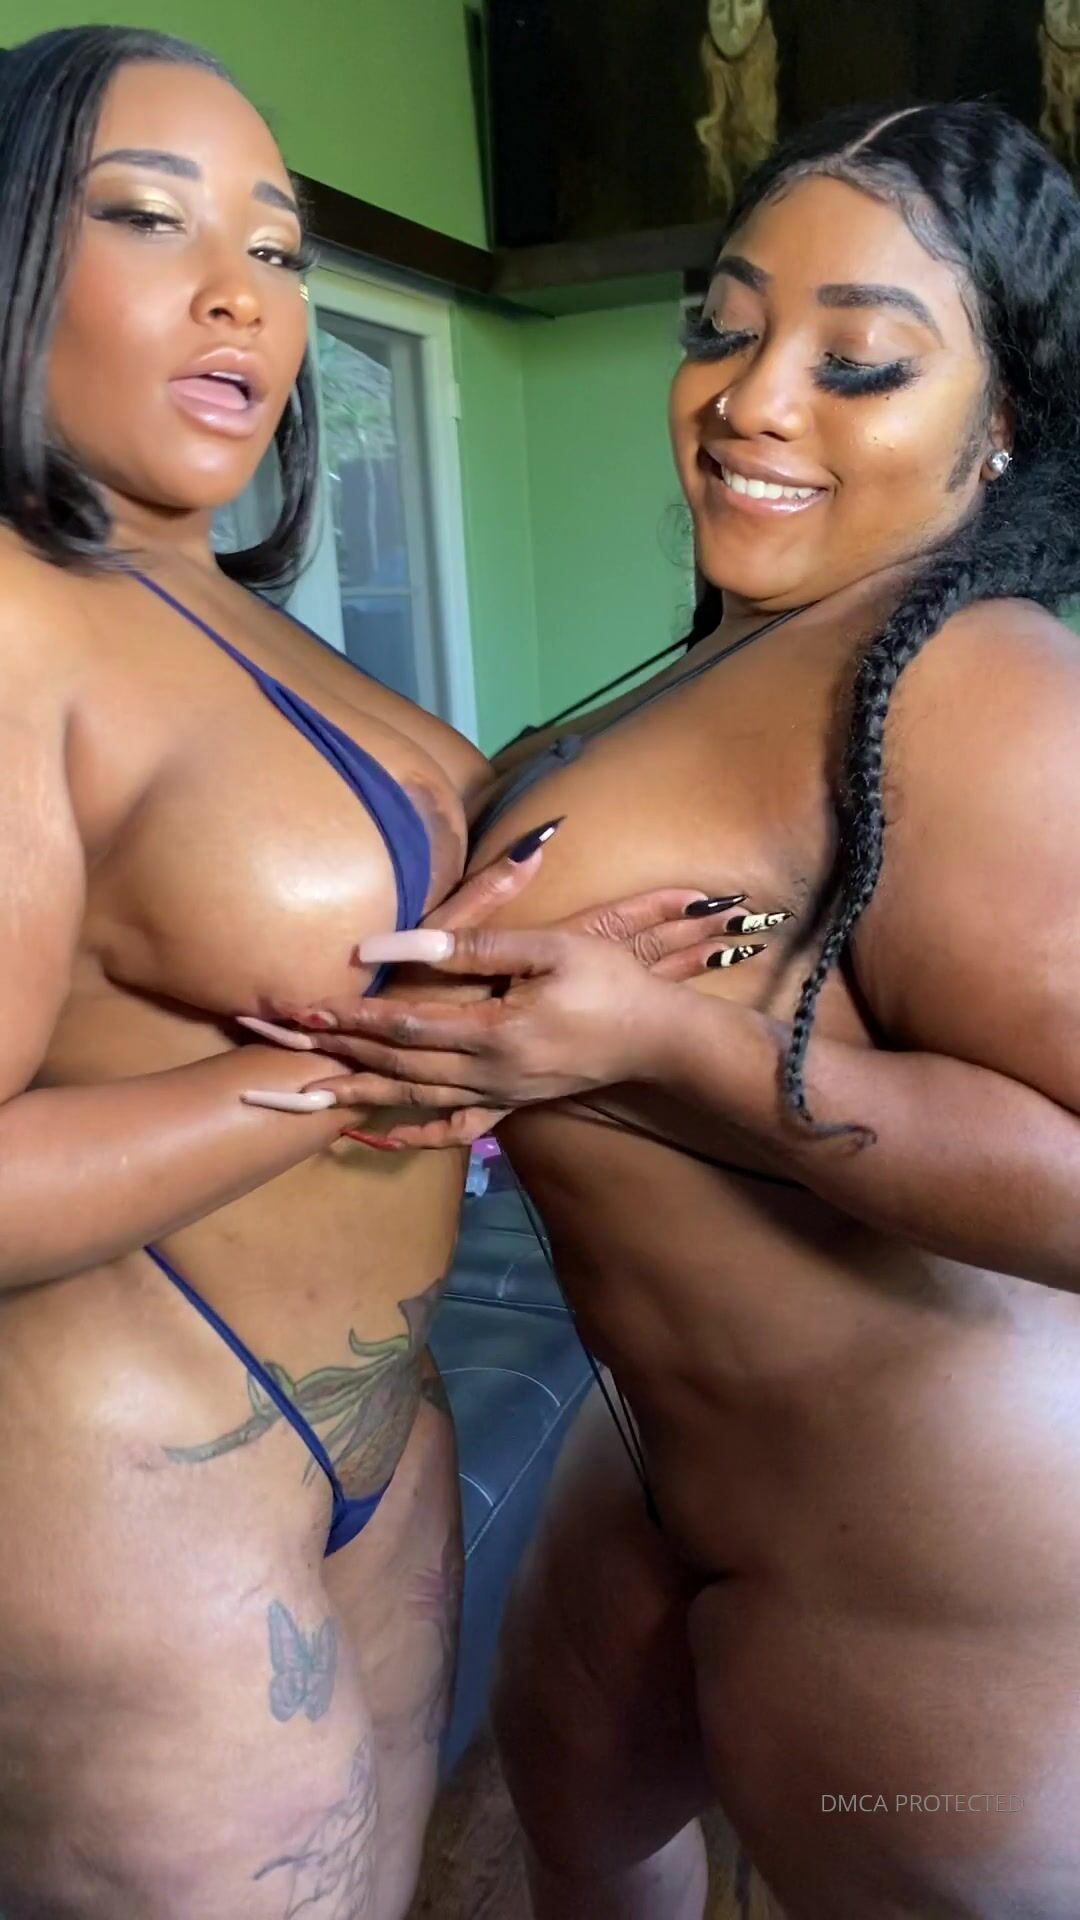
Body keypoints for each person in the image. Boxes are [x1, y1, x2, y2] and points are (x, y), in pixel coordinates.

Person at [271, 101, 1080, 1918]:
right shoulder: (743, 648)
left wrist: (657, 1046)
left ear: (1003, 420)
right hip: (657, 1450)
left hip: (928, 1532)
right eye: (724, 327)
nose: (752, 399)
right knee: (583, 1844)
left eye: (858, 362)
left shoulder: (980, 680)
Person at [0, 27, 765, 1920]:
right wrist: (377, 1059)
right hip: (127, 1473)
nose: (239, 295)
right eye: (149, 218)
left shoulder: (219, 600)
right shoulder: (15, 618)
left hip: (369, 1431)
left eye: (276, 247)